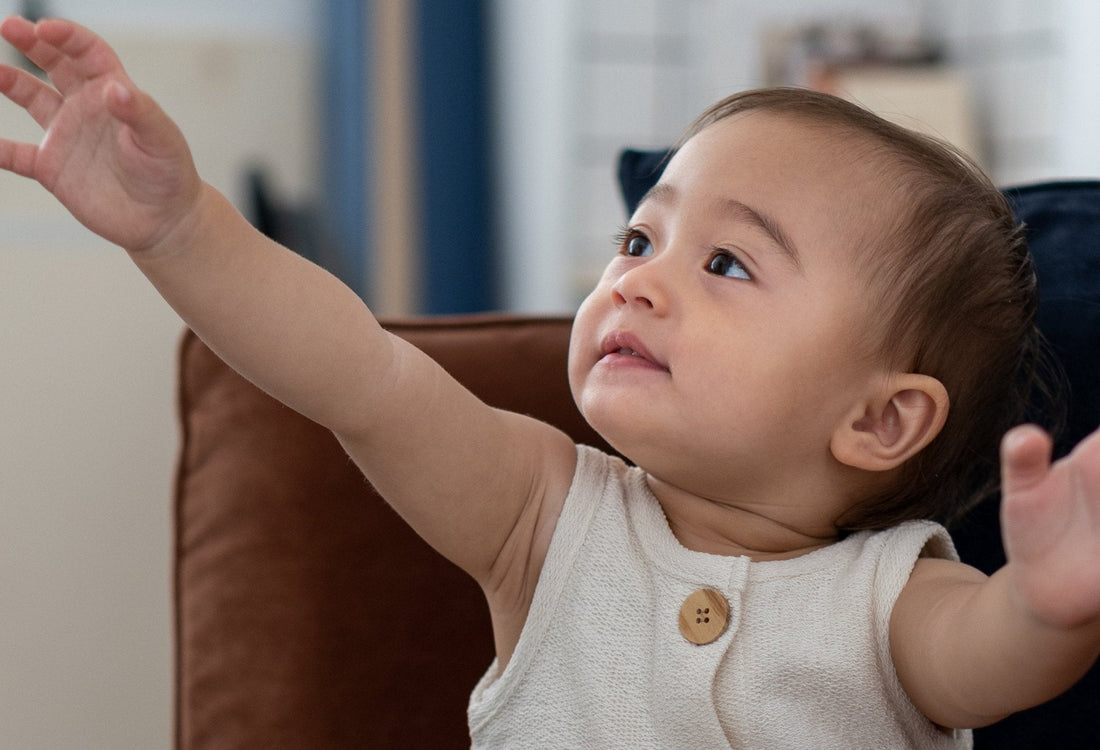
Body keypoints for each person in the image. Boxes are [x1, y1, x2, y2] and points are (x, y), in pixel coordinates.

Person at [1, 17, 1098, 749]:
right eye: (637, 239)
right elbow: (358, 373)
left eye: (725, 263)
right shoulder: (542, 517)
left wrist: (1048, 603)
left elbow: (990, 654)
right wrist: (181, 227)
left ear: (879, 418)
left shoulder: (898, 600)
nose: (638, 284)